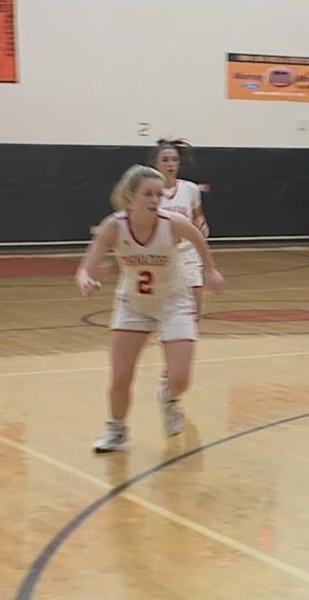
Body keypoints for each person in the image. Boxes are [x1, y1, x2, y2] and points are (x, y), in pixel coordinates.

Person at [75, 165, 225, 453]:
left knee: (180, 379)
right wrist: (86, 279)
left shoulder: (173, 223)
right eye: (148, 194)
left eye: (159, 194)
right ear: (131, 196)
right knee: (120, 377)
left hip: (174, 301)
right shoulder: (114, 226)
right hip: (133, 305)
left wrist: (210, 270)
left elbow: (198, 238)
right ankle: (116, 430)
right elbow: (85, 268)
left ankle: (169, 399)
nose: (155, 200)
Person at [151, 139, 209, 312]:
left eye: (175, 160)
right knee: (165, 308)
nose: (171, 164)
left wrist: (201, 224)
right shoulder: (150, 191)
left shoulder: (190, 189)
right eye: (165, 160)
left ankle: (190, 337)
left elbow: (198, 216)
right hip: (162, 255)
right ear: (155, 164)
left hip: (188, 252)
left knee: (195, 308)